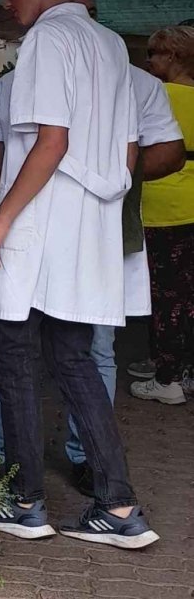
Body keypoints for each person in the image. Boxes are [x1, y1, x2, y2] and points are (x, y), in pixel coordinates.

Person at [0, 0, 155, 549]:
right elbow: (128, 154)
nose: (6, 0)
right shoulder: (110, 45)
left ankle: (25, 502)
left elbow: (51, 140)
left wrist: (0, 221)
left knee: (15, 357)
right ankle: (120, 505)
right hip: (90, 226)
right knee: (76, 362)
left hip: (40, 223)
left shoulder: (49, 38)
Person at [135, 24, 194, 404]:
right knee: (189, 294)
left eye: (154, 54)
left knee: (166, 295)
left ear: (172, 56)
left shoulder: (157, 95)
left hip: (163, 205)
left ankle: (167, 379)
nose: (149, 61)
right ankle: (186, 371)